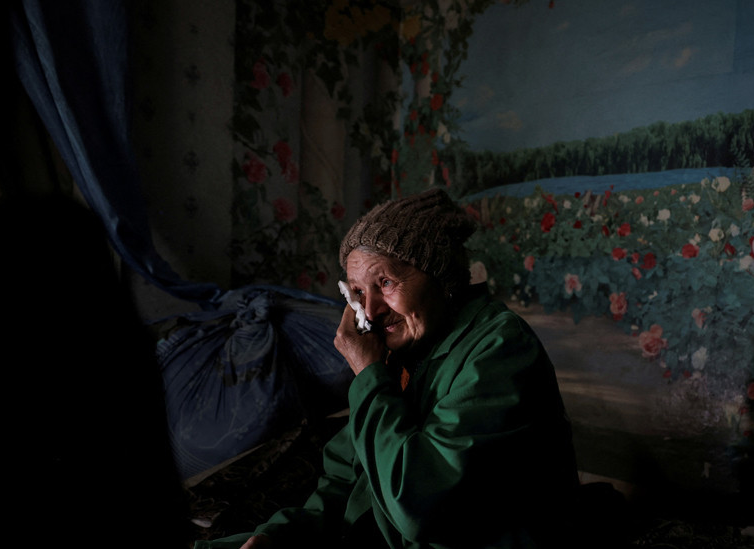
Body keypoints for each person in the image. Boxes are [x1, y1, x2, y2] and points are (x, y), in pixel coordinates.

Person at [195, 188, 579, 549]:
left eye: (386, 282)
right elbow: (346, 478)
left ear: (442, 279)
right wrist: (283, 534)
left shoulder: (500, 349)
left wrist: (368, 375)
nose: (372, 310)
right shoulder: (405, 352)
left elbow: (418, 507)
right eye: (358, 292)